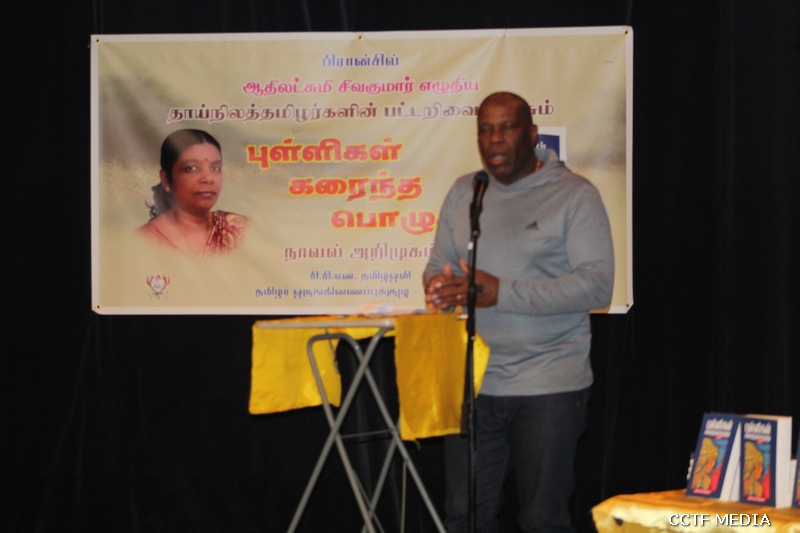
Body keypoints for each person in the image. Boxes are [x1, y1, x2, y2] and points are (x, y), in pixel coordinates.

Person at [423, 92, 614, 532]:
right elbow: (439, 263)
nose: (495, 139)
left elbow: (596, 285)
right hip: (474, 384)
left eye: (507, 127)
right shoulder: (466, 191)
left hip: (549, 386)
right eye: (485, 130)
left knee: (542, 520)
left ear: (531, 134)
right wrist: (439, 286)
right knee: (464, 517)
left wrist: (502, 293)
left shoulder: (574, 196)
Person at [138, 129, 246, 258]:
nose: (208, 178)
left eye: (215, 168)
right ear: (166, 179)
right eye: (191, 168)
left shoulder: (239, 230)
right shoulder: (142, 241)